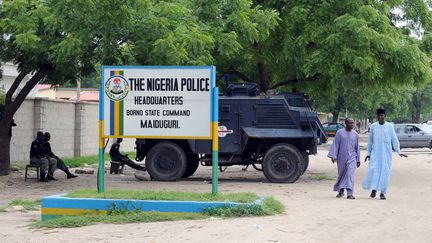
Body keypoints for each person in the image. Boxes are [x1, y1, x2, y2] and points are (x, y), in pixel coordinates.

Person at [363, 108, 408, 200]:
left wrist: (398, 151)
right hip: (375, 154)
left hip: (386, 155)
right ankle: (374, 190)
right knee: (373, 171)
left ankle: (383, 193)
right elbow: (370, 141)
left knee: (385, 173)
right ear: (377, 117)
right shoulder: (373, 127)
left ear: (385, 116)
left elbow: (394, 139)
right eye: (379, 116)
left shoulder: (389, 126)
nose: (380, 117)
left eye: (382, 116)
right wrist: (368, 153)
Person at [328, 117, 361, 199]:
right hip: (341, 157)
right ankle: (341, 191)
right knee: (342, 174)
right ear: (346, 124)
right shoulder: (340, 133)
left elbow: (357, 148)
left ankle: (350, 193)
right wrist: (333, 156)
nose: (352, 124)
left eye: (353, 123)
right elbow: (335, 144)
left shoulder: (355, 134)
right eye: (350, 123)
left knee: (350, 174)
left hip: (352, 157)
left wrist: (358, 159)